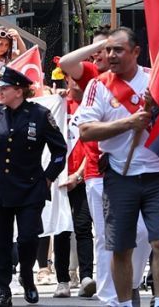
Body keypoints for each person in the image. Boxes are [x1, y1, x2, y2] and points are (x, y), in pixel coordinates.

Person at [74, 28, 159, 307]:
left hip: (158, 174)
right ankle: (124, 303)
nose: (110, 55)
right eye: (107, 50)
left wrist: (158, 114)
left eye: (117, 50)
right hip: (119, 174)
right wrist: (128, 123)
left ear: (135, 51)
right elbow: (86, 131)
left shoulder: (157, 79)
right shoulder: (98, 85)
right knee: (121, 246)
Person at [0, 66, 67, 306]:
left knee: (29, 238)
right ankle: (3, 291)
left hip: (29, 188)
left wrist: (49, 177)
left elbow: (59, 152)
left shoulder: (39, 115)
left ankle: (27, 276)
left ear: (19, 91)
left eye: (4, 88)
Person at [53, 65, 96, 299]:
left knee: (83, 227)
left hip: (83, 176)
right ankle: (62, 280)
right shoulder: (58, 104)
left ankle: (87, 276)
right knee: (60, 228)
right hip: (60, 177)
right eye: (72, 78)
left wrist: (78, 175)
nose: (76, 83)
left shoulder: (92, 105)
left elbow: (93, 147)